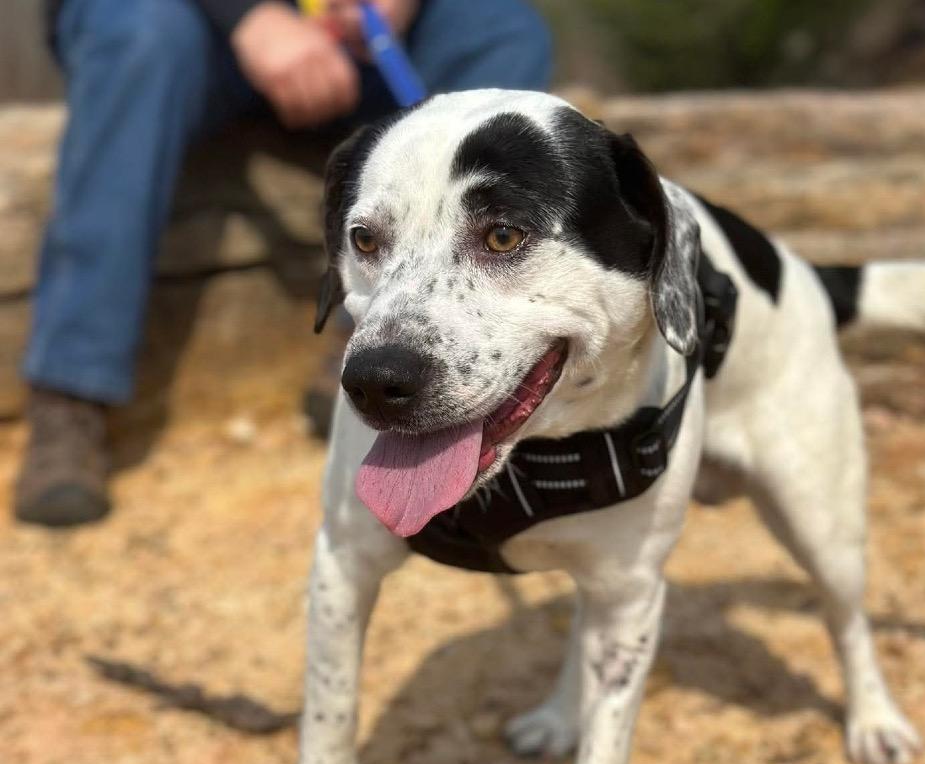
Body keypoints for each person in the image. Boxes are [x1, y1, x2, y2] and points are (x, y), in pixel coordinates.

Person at [16, 0, 552, 527]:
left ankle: (381, 355)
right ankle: (71, 391)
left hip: (358, 39)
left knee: (501, 30)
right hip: (186, 29)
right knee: (135, 30)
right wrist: (250, 16)